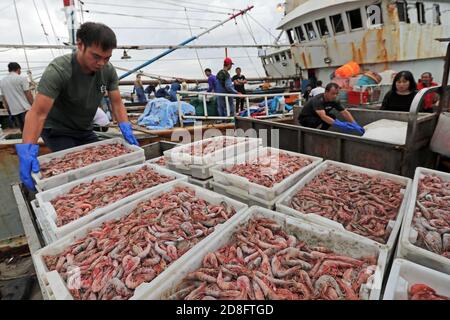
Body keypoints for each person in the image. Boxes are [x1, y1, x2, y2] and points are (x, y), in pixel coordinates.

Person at [15, 22, 139, 191]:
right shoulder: (59, 70)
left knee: (103, 167)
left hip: (84, 129)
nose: (101, 63)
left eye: (107, 58)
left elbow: (116, 103)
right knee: (75, 171)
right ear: (80, 45)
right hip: (57, 130)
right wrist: (27, 149)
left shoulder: (108, 71)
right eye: (96, 56)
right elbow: (37, 114)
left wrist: (126, 126)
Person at [298, 83, 365, 135]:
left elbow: (345, 112)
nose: (335, 96)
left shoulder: (335, 100)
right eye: (333, 94)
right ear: (326, 92)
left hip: (317, 117)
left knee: (332, 117)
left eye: (337, 94)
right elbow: (323, 116)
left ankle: (322, 132)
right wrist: (339, 125)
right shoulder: (318, 100)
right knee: (317, 120)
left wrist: (355, 124)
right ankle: (313, 133)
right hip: (306, 119)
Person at [0, 62, 34, 132]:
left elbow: (4, 98)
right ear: (18, 69)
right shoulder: (21, 78)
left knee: (23, 131)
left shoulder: (2, 81)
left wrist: (9, 110)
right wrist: (34, 105)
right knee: (31, 130)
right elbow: (28, 93)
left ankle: (26, 143)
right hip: (25, 109)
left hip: (14, 111)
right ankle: (32, 143)